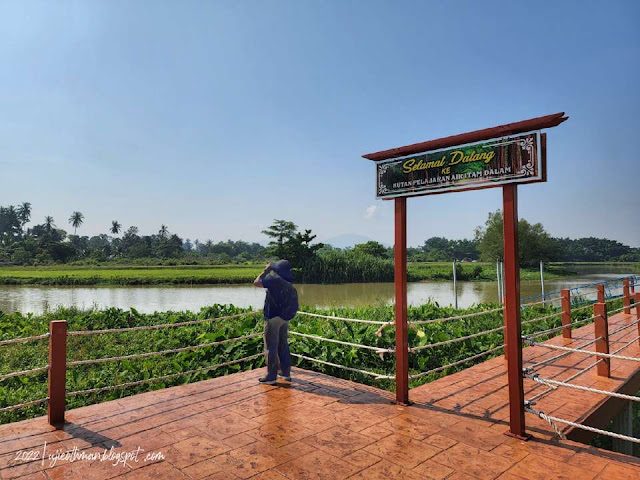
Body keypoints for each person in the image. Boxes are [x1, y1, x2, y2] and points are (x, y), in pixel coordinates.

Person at [253, 260, 298, 385]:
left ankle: (271, 376)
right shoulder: (288, 283)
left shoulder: (274, 280)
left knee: (271, 346)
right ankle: (286, 373)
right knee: (283, 345)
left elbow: (256, 282)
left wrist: (266, 270)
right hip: (285, 318)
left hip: (273, 318)